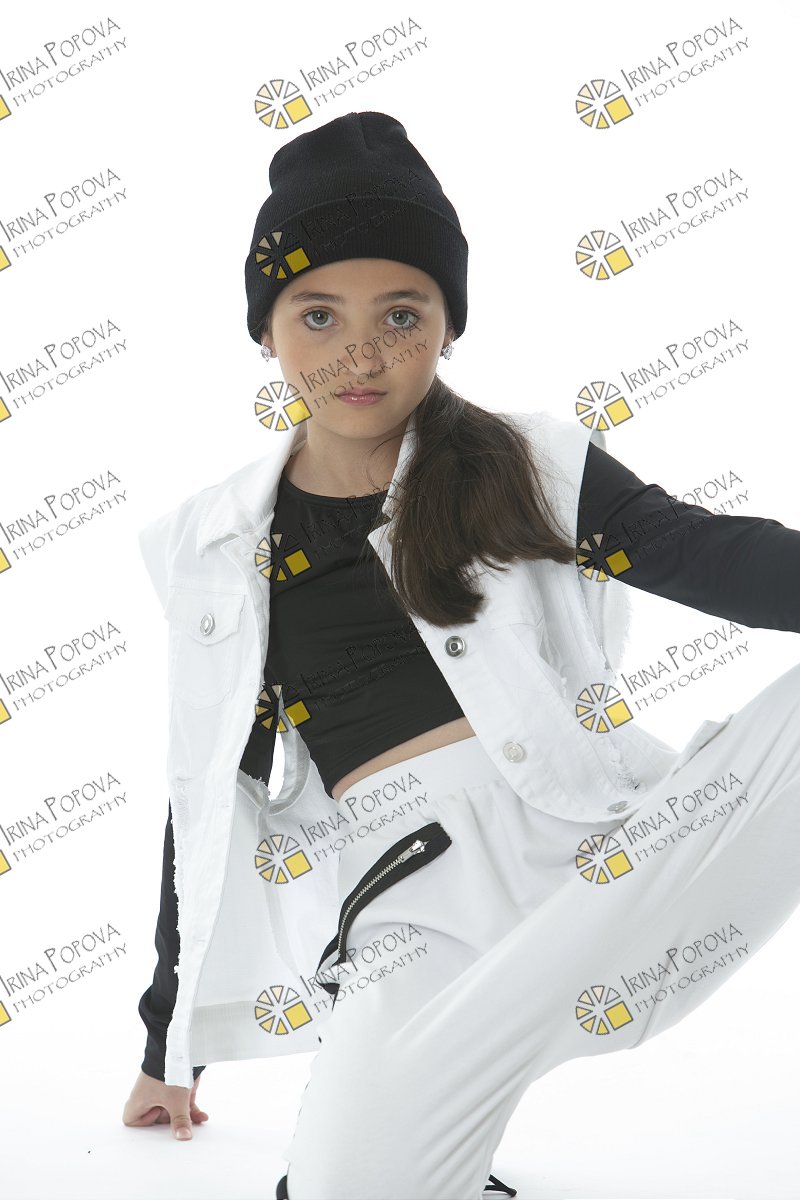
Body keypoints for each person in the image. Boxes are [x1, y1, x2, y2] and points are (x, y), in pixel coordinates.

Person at [122, 111, 800, 1200]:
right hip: (416, 917)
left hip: (611, 862)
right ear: (266, 333)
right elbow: (205, 799)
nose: (361, 354)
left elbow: (708, 556)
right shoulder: (216, 544)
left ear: (446, 326)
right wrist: (170, 1044)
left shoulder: (526, 462)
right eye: (317, 315)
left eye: (401, 314)